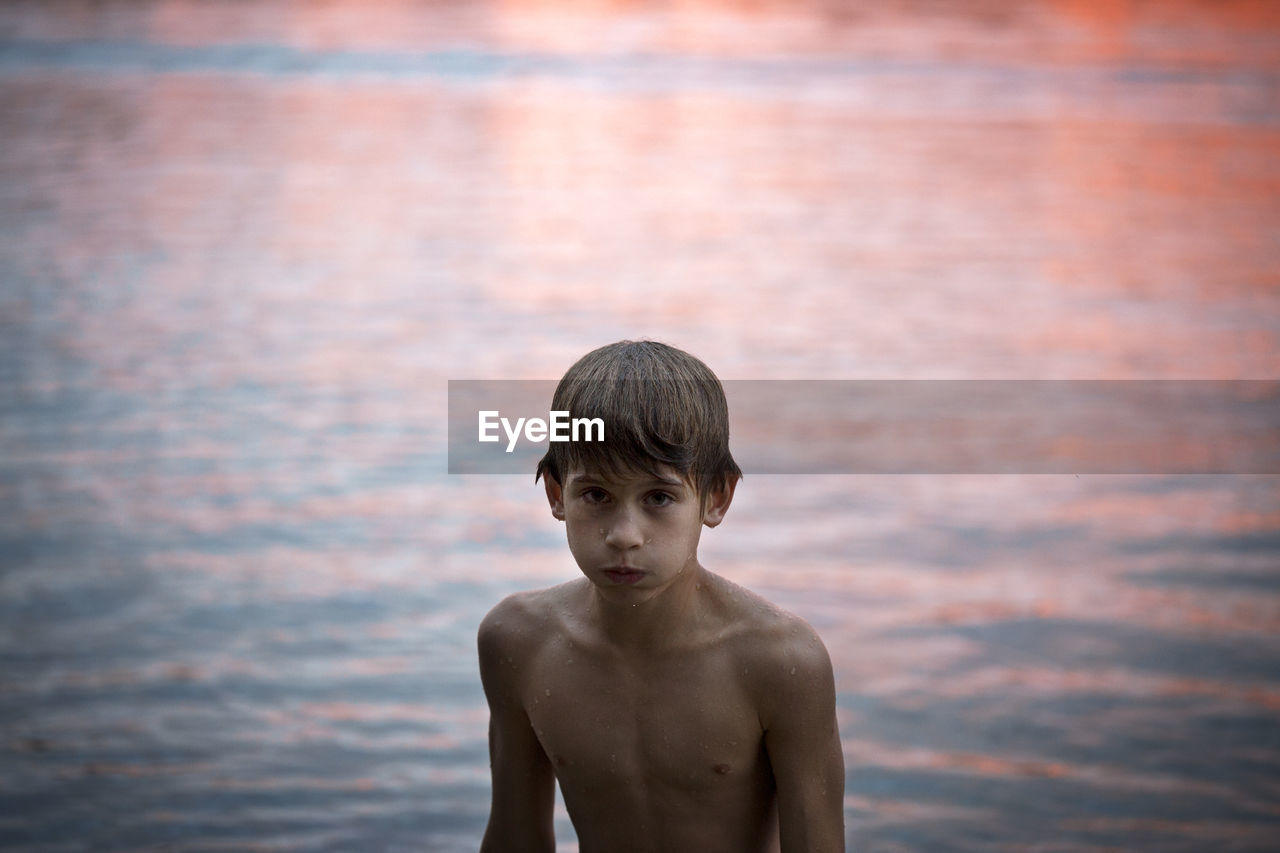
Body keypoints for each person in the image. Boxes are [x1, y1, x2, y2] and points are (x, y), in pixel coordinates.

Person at [477, 340, 845, 852]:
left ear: (716, 497)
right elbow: (515, 834)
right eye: (597, 495)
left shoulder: (778, 661)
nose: (625, 534)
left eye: (658, 497)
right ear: (557, 495)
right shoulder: (517, 641)